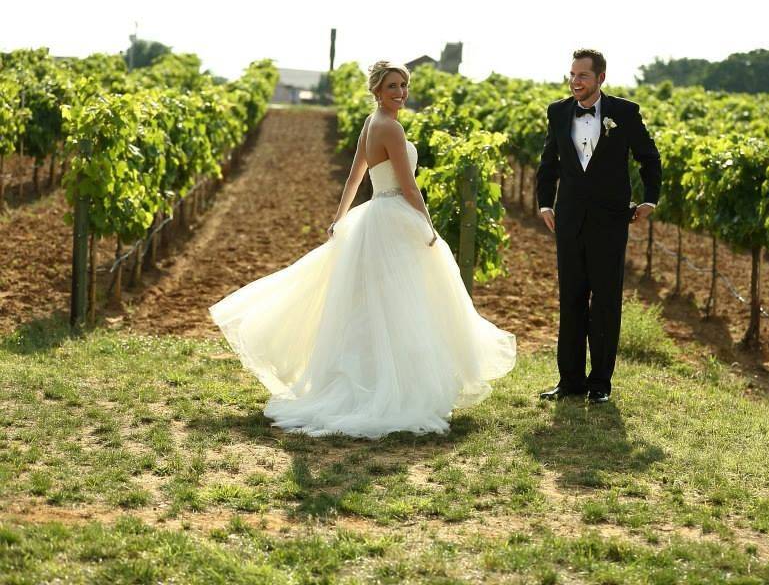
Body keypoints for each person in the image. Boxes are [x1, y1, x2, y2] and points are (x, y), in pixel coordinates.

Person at [208, 61, 516, 438]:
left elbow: (356, 176)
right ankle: (390, 387)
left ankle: (369, 380)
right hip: (394, 217)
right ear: (377, 90)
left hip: (373, 216)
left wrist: (340, 218)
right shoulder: (391, 127)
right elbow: (408, 186)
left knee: (377, 305)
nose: (400, 92)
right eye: (392, 86)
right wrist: (429, 227)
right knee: (399, 304)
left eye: (403, 85)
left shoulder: (371, 123)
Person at [535, 49, 662, 404]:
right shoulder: (558, 112)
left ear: (600, 78)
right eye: (572, 75)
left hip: (610, 221)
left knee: (605, 301)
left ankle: (600, 384)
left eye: (583, 76)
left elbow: (649, 157)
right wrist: (545, 202)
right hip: (569, 219)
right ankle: (569, 381)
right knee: (571, 299)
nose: (575, 82)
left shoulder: (625, 112)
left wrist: (650, 198)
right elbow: (549, 161)